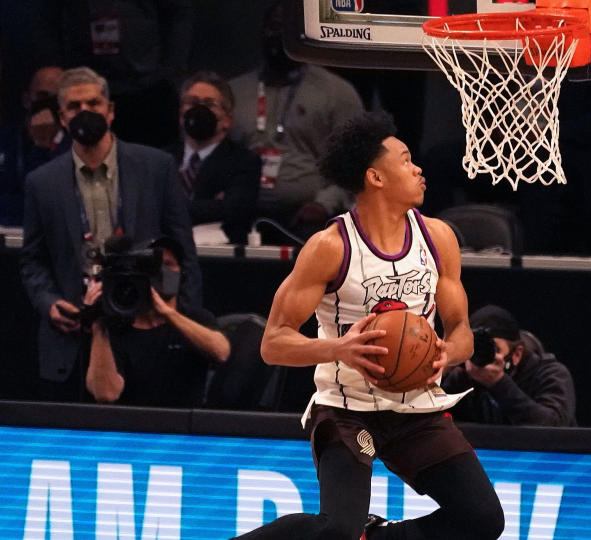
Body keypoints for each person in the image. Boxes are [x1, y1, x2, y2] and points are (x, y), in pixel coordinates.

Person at [234, 112, 504, 540]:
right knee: (338, 530)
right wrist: (337, 349)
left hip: (416, 406)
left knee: (483, 519)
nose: (418, 168)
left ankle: (375, 536)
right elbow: (273, 343)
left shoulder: (439, 238)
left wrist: (446, 353)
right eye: (406, 159)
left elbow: (463, 333)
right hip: (346, 407)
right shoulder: (330, 247)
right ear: (375, 177)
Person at [19, 66, 201, 402]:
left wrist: (179, 321)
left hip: (146, 330)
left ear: (111, 110)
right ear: (62, 117)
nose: (84, 112)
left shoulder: (155, 167)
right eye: (74, 107)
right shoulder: (41, 183)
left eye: (93, 103)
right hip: (72, 333)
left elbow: (183, 250)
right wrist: (49, 303)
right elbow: (32, 261)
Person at [229, 0, 364, 237]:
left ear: (300, 34)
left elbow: (355, 164)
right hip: (239, 211)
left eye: (285, 29)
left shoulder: (337, 93)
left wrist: (325, 203)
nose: (276, 36)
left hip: (309, 216)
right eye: (271, 29)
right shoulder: (234, 92)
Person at [83, 236, 229, 407]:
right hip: (133, 426)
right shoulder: (117, 326)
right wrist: (99, 326)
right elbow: (106, 394)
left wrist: (168, 313)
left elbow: (221, 352)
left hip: (185, 426)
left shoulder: (197, 318)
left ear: (181, 274)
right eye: (155, 265)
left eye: (169, 264)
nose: (162, 271)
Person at [31, 0, 194, 148]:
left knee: (150, 169)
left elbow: (179, 11)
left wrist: (172, 73)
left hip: (148, 89)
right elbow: (45, 20)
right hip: (83, 90)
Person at [442, 304, 577, 426]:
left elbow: (555, 427)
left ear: (517, 354)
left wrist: (499, 383)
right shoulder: (465, 375)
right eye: (475, 349)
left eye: (494, 349)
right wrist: (448, 367)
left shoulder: (551, 374)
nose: (484, 356)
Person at [169, 71, 260, 244]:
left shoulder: (244, 161)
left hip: (219, 257)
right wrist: (211, 205)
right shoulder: (162, 159)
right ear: (181, 115)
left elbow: (233, 210)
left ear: (227, 119)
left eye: (209, 104)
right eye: (192, 102)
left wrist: (170, 206)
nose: (199, 110)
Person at [0, 66, 69, 226]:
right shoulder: (5, 139)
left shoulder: (77, 148)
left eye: (57, 99)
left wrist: (42, 145)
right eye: (42, 95)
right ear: (26, 99)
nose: (48, 104)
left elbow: (46, 202)